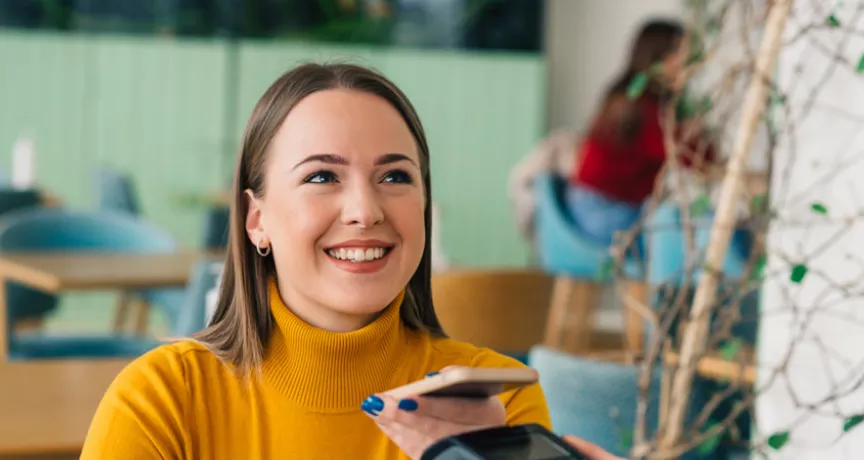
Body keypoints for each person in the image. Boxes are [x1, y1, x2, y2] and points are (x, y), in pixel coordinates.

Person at [79, 63, 619, 460]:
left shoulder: (495, 406)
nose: (365, 210)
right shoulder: (159, 401)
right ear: (256, 219)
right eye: (321, 176)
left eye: (395, 176)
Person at [567, 19, 714, 248]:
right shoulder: (642, 109)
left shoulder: (625, 96)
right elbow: (693, 158)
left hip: (584, 204)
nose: (690, 66)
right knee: (684, 234)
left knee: (680, 224)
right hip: (604, 212)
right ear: (661, 59)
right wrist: (696, 130)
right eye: (683, 56)